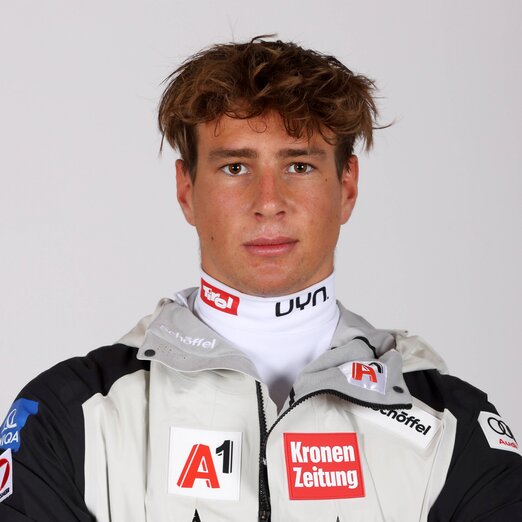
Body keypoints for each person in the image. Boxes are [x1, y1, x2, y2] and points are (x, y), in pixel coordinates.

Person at [0, 37, 521, 522]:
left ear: (347, 186)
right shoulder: (72, 416)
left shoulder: (451, 426)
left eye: (299, 166)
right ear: (186, 190)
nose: (269, 202)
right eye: (235, 167)